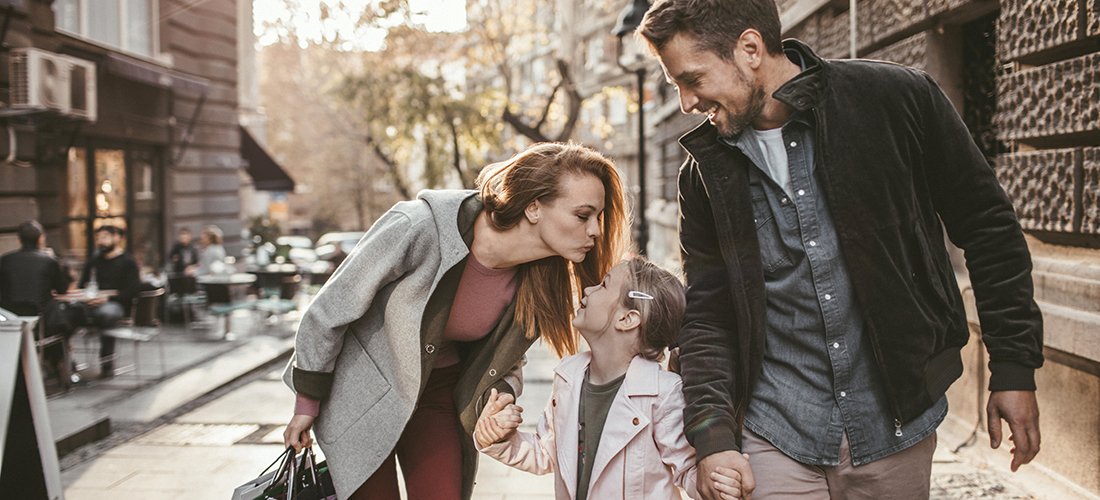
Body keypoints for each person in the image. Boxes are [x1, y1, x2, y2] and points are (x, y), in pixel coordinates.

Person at [636, 1, 1044, 499]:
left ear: (749, 49)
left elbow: (988, 227)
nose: (685, 102)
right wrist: (713, 436)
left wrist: (1014, 367)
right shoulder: (705, 173)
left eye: (692, 78)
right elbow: (709, 315)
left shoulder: (896, 99)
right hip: (773, 429)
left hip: (896, 422)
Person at [281, 142, 629, 500]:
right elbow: (329, 309)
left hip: (438, 396)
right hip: (363, 394)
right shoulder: (420, 227)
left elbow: (506, 361)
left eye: (598, 218)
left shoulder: (541, 278)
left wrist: (500, 402)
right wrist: (307, 402)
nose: (596, 231)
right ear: (534, 207)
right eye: (583, 215)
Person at [475, 257, 742, 500]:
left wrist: (722, 484)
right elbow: (547, 454)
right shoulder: (567, 380)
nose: (588, 290)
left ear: (627, 318)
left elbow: (689, 469)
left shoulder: (662, 393)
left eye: (603, 285)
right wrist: (499, 439)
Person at [0, 220, 72, 375]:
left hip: (10, 324)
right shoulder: (48, 261)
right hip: (40, 324)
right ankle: (58, 364)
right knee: (68, 320)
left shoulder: (4, 260)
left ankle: (52, 363)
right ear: (41, 239)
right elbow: (62, 288)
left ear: (19, 239)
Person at [78, 225, 142, 378]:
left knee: (105, 314)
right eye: (99, 237)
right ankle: (66, 363)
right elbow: (82, 284)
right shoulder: (94, 260)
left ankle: (107, 362)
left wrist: (107, 298)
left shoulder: (128, 261)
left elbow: (133, 290)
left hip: (117, 305)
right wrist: (88, 296)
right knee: (70, 311)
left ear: (117, 237)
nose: (101, 241)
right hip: (92, 303)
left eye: (105, 237)